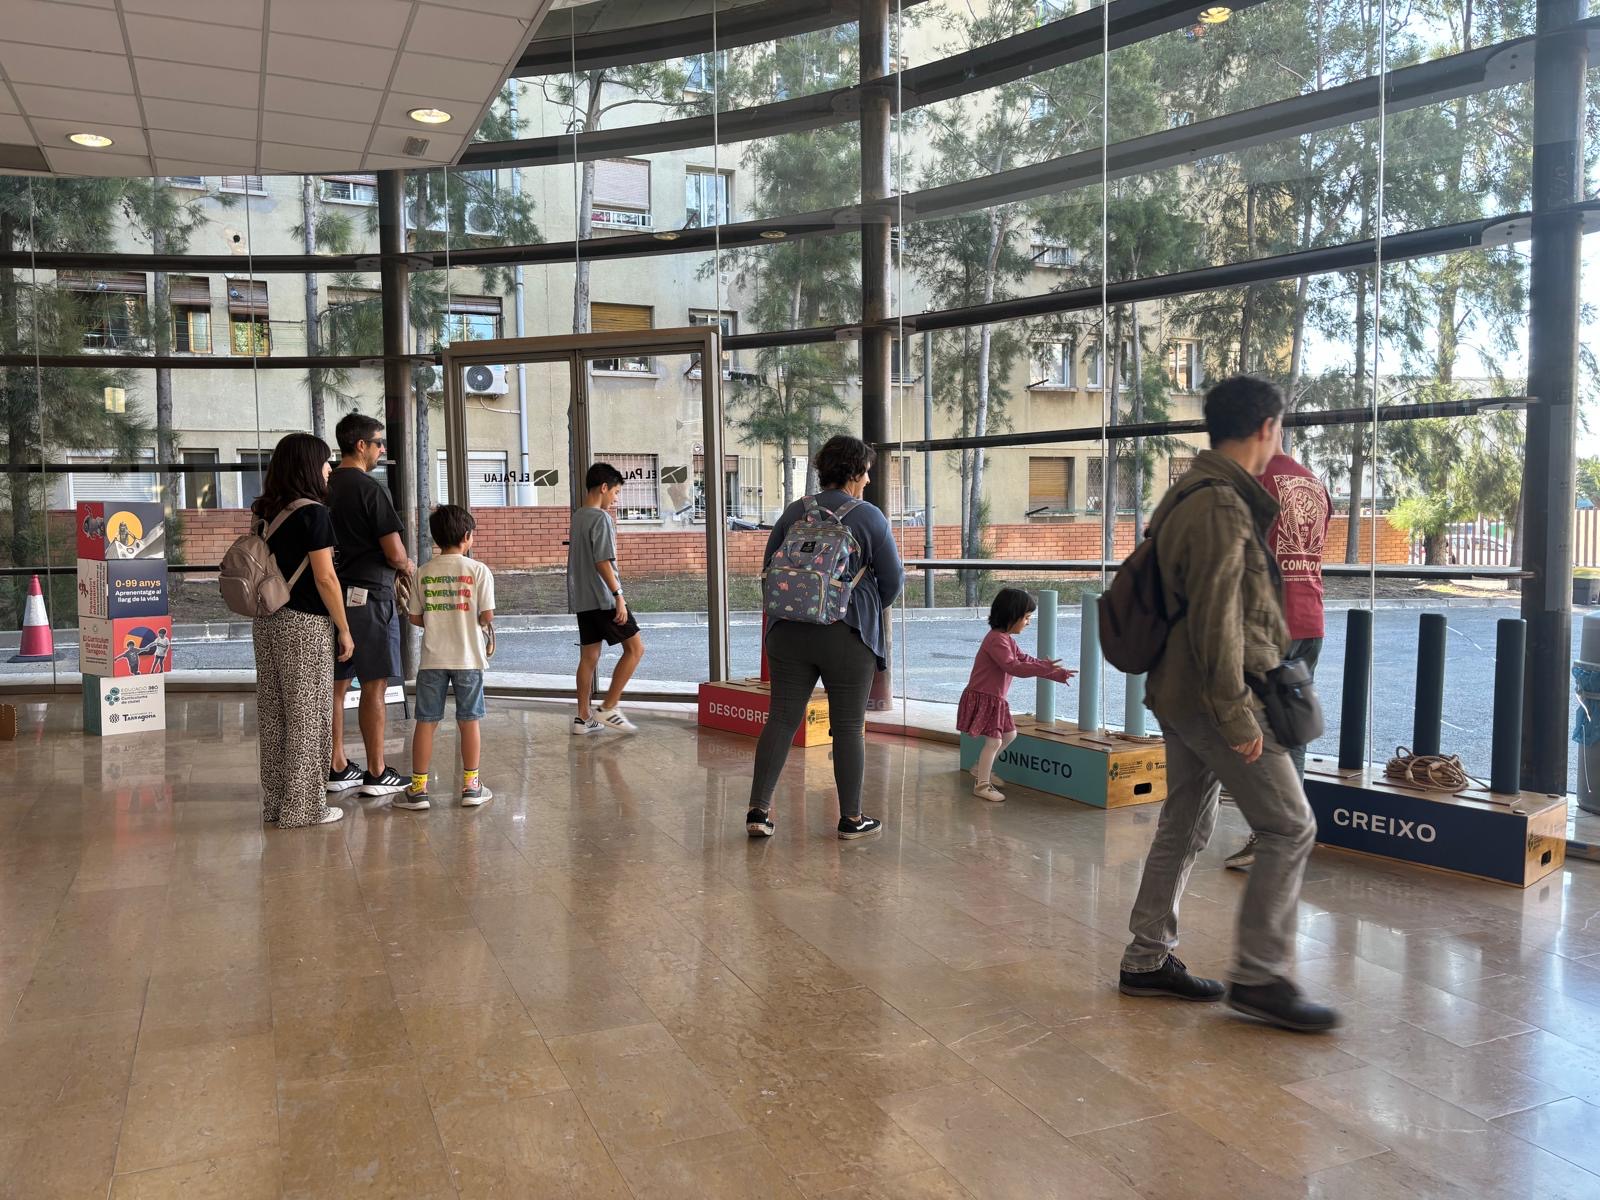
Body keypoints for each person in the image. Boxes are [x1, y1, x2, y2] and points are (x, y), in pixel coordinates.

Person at [1118, 375, 1339, 1033]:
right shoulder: (1221, 505)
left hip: (1179, 689)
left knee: (1185, 821)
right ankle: (1261, 977)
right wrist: (1238, 715)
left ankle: (1146, 958)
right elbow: (1217, 621)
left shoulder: (1189, 490)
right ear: (1268, 427)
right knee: (1290, 825)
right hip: (1214, 694)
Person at [746, 435, 905, 841]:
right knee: (848, 726)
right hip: (847, 634)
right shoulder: (869, 517)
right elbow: (892, 581)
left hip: (787, 631)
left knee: (782, 718)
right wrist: (857, 603)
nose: (868, 480)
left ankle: (758, 812)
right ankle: (851, 818)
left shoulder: (796, 510)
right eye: (866, 472)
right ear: (854, 472)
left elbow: (769, 568)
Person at [1225, 448, 1330, 870]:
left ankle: (1272, 838)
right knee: (1290, 730)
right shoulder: (1314, 483)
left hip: (1266, 625)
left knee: (1249, 731)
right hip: (1309, 620)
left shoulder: (1253, 481)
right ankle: (1288, 835)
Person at [250, 433, 355, 828]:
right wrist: (344, 628)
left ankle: (277, 803)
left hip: (267, 621)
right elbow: (325, 578)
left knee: (274, 714)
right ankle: (304, 807)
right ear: (309, 466)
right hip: (304, 624)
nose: (329, 469)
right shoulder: (314, 514)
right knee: (308, 715)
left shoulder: (264, 513)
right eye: (325, 461)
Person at [325, 413, 415, 798]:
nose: (382, 449)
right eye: (379, 443)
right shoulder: (371, 489)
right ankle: (377, 772)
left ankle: (337, 765)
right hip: (371, 596)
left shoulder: (325, 485)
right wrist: (407, 566)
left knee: (336, 685)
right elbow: (394, 552)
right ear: (361, 445)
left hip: (331, 595)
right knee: (375, 684)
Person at [395, 505, 496, 811]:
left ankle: (418, 790)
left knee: (426, 722)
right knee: (469, 721)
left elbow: (415, 617)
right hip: (468, 659)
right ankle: (471, 787)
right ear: (467, 536)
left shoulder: (424, 572)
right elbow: (487, 615)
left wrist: (437, 619)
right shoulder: (478, 571)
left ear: (436, 538)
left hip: (432, 660)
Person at [957, 588, 1076, 803]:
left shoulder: (1006, 639)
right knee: (994, 742)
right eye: (1027, 617)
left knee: (1009, 735)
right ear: (1012, 616)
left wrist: (1056, 673)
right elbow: (1013, 666)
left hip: (995, 699)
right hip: (985, 698)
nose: (1028, 622)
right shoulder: (996, 640)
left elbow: (1025, 660)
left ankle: (979, 769)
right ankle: (982, 785)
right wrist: (1045, 668)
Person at [568, 463, 645, 736]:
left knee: (589, 656)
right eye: (615, 492)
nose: (616, 498)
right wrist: (618, 595)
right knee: (635, 649)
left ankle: (582, 718)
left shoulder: (578, 516)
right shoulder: (601, 518)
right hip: (603, 598)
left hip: (583, 599)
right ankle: (608, 707)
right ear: (603, 488)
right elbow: (602, 561)